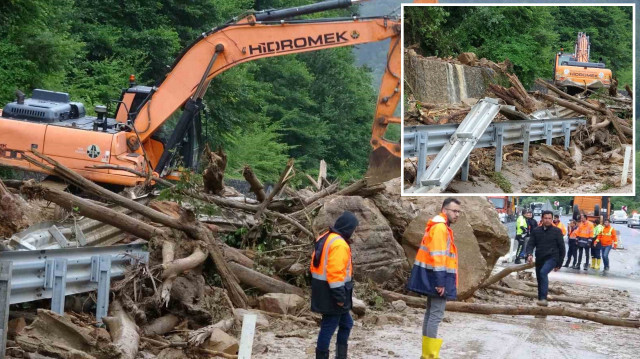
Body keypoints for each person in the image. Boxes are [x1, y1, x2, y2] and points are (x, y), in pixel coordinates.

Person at [407, 198, 461, 359]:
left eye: (459, 211)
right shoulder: (440, 228)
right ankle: (430, 355)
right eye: (454, 211)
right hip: (437, 278)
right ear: (444, 210)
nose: (457, 214)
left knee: (431, 314)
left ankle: (426, 355)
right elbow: (438, 256)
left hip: (433, 276)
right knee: (435, 315)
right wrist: (440, 282)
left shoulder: (439, 227)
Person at [311, 211, 358, 359]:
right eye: (353, 229)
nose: (353, 233)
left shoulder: (325, 237)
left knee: (346, 323)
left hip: (323, 289)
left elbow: (314, 265)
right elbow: (335, 273)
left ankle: (341, 356)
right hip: (334, 292)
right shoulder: (339, 244)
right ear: (348, 228)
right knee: (328, 327)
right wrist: (339, 297)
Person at [526, 211, 565, 306]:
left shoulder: (557, 231)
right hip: (540, 257)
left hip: (552, 258)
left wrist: (559, 264)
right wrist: (529, 254)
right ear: (542, 218)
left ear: (552, 219)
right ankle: (540, 299)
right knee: (540, 277)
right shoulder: (536, 231)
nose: (547, 220)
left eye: (549, 218)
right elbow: (530, 244)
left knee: (543, 272)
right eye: (545, 218)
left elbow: (562, 248)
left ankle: (543, 299)